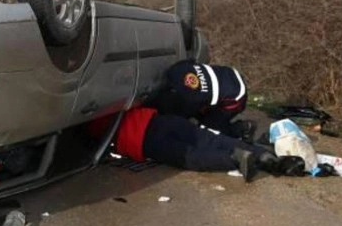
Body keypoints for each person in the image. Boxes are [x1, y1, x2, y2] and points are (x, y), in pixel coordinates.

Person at [107, 107, 289, 182]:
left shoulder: (89, 125)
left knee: (191, 157)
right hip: (156, 119)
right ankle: (263, 155)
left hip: (140, 139)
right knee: (211, 139)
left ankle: (235, 158)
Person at [153, 59, 254, 140]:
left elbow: (182, 116)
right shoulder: (177, 70)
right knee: (199, 116)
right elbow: (190, 61)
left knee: (211, 131)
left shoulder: (191, 99)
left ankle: (242, 129)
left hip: (235, 97)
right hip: (228, 74)